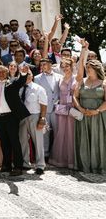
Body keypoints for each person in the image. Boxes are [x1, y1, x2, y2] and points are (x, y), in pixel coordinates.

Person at [0, 63, 30, 175]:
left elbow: (20, 82)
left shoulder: (12, 82)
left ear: (7, 73)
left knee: (14, 142)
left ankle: (18, 167)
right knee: (4, 143)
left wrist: (23, 73)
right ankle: (6, 165)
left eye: (4, 72)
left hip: (11, 118)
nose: (1, 74)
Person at [73, 41, 106, 174]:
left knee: (99, 140)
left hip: (99, 116)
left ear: (96, 69)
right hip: (84, 115)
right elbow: (75, 96)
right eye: (87, 68)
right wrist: (81, 109)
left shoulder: (103, 83)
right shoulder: (81, 81)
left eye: (89, 68)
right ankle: (85, 165)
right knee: (84, 140)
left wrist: (96, 110)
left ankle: (100, 166)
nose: (87, 69)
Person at [18, 69, 48, 174]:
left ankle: (40, 165)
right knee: (22, 141)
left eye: (29, 74)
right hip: (21, 117)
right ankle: (25, 163)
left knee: (38, 141)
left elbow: (44, 104)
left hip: (35, 116)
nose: (27, 76)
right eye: (24, 74)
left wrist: (42, 119)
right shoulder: (19, 88)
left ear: (32, 76)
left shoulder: (38, 89)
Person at [49, 58, 76, 169]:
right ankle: (61, 160)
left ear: (71, 66)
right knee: (61, 133)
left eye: (67, 66)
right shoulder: (60, 79)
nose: (65, 68)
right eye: (63, 66)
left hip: (73, 108)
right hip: (62, 109)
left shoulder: (76, 78)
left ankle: (72, 161)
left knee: (71, 134)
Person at [34, 57, 60, 158]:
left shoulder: (59, 76)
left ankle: (57, 154)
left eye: (44, 64)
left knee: (58, 132)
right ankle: (45, 155)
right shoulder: (37, 78)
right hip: (44, 110)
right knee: (45, 133)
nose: (42, 66)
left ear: (50, 64)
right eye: (41, 65)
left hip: (57, 109)